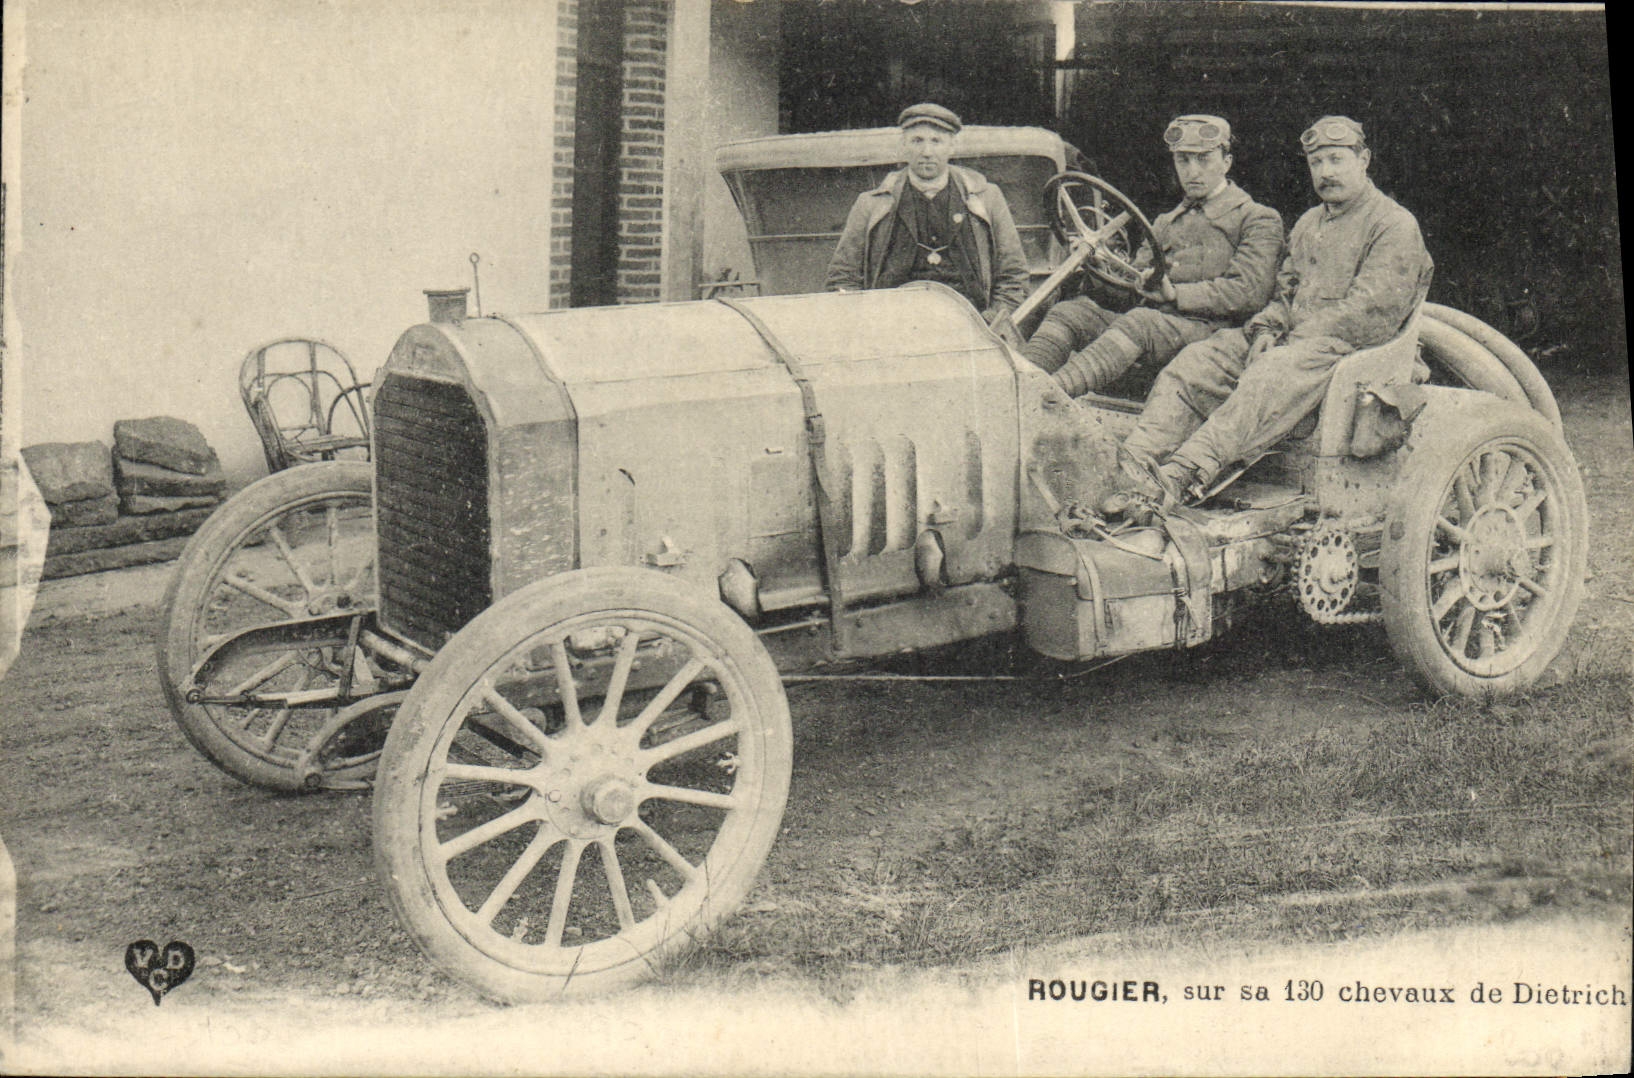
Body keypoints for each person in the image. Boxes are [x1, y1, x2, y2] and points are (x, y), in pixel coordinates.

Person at [1108, 115, 1434, 513]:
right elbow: (1285, 292)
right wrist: (1265, 329)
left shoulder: (1393, 224)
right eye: (1317, 162)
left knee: (1272, 370)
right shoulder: (1309, 223)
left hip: (1351, 351)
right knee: (1200, 359)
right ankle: (1132, 463)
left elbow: (1370, 313)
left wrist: (1290, 340)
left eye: (1336, 159)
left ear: (1363, 160)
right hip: (1295, 343)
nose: (1326, 172)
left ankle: (1186, 471)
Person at [1024, 115, 1284, 398]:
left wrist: (1175, 295)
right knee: (1070, 313)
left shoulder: (1258, 218)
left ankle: (1046, 398)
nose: (1192, 171)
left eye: (1204, 159)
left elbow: (1249, 292)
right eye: (1183, 160)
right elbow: (1130, 290)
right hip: (1156, 329)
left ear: (1227, 162)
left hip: (1216, 335)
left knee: (1141, 322)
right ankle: (1021, 386)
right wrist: (1099, 264)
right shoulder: (1165, 222)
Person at [825, 103, 1030, 323]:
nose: (927, 152)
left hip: (971, 328)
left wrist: (988, 323)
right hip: (891, 326)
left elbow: (1014, 277)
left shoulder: (986, 198)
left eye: (936, 141)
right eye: (917, 141)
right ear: (903, 146)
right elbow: (842, 278)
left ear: (952, 147)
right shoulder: (871, 205)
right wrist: (868, 324)